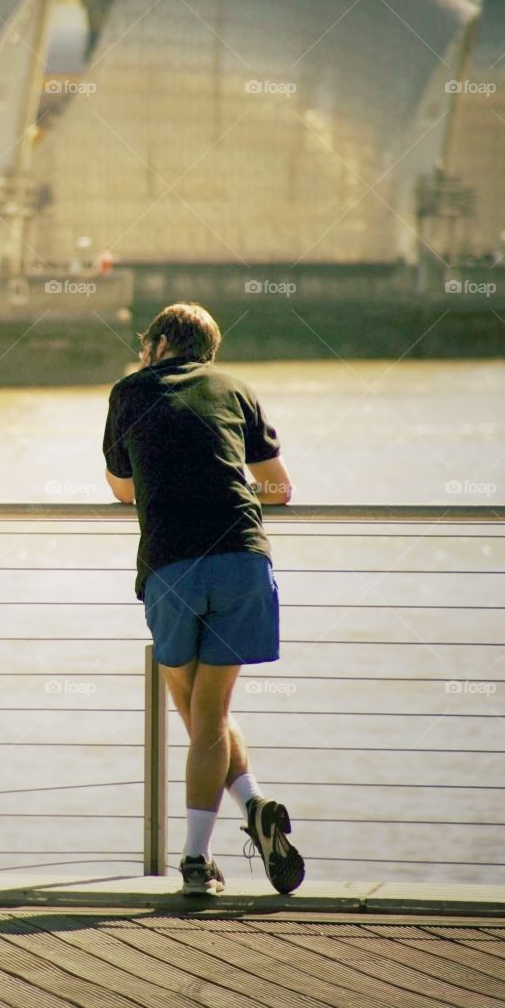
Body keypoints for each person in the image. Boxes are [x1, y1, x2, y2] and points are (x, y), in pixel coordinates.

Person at [103, 302, 304, 897]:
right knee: (209, 711)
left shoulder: (129, 391)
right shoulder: (236, 388)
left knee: (197, 710)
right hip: (242, 554)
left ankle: (194, 860)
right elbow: (280, 489)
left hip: (171, 561)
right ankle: (254, 804)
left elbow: (121, 488)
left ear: (161, 343)